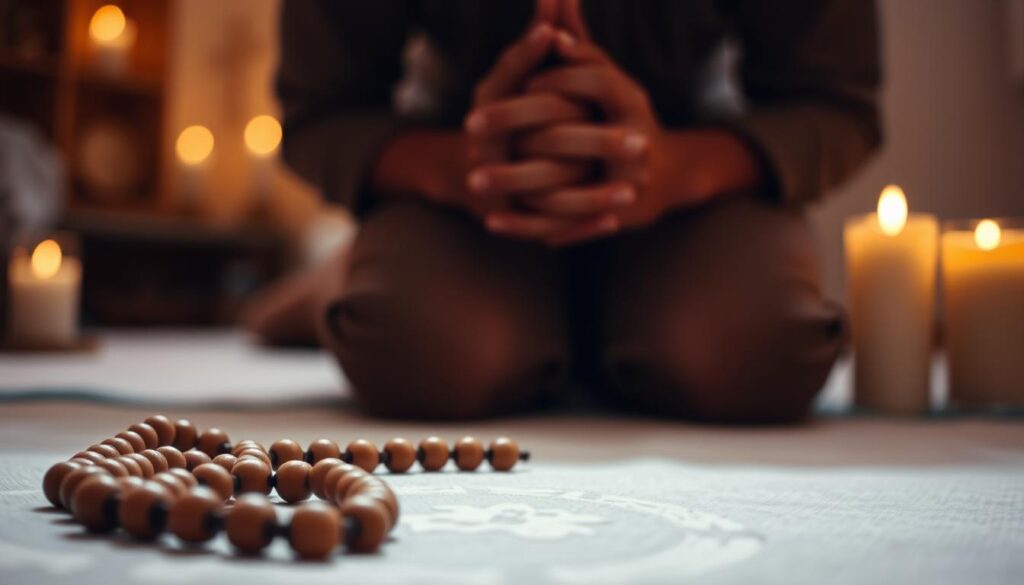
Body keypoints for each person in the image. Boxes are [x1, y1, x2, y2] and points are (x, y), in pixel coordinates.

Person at [255, 0, 881, 422]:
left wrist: (671, 170)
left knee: (761, 355)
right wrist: (468, 166)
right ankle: (349, 281)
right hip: (457, 184)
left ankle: (575, 311)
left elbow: (837, 102)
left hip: (691, 177)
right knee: (418, 351)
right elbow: (319, 109)